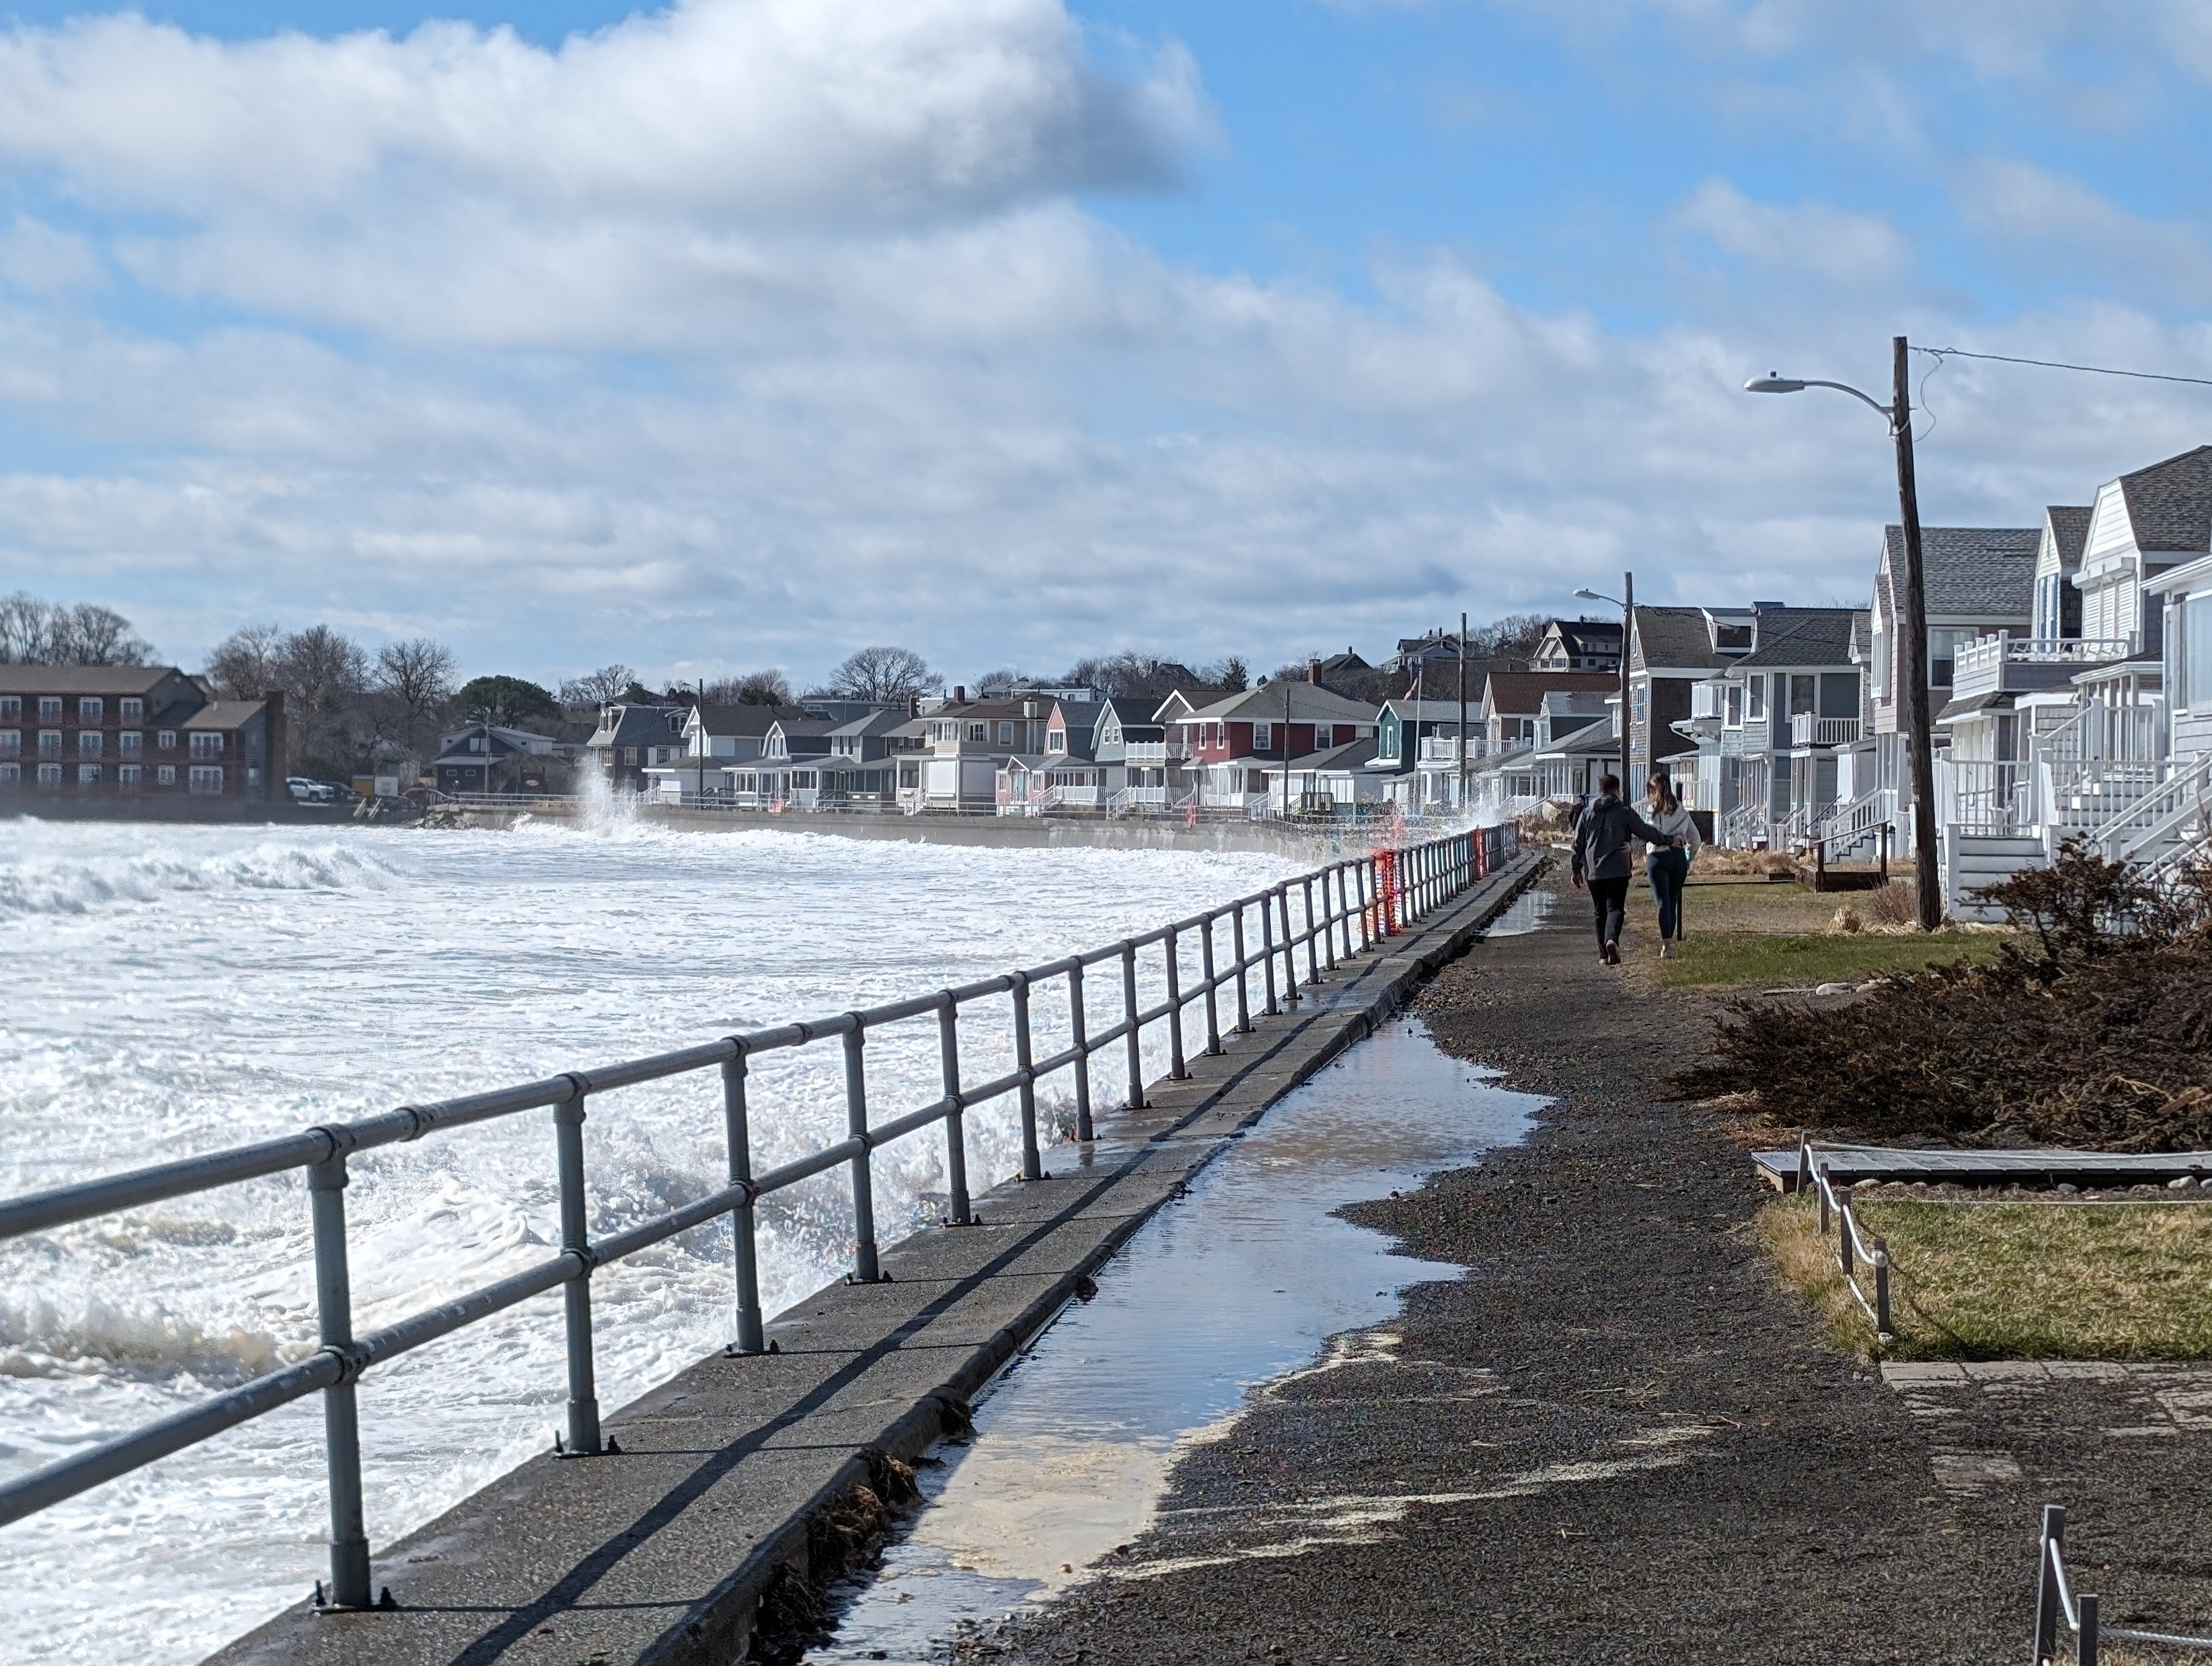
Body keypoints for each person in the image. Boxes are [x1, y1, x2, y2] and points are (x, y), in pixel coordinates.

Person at [1570, 773, 1678, 965]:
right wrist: (1669, 840)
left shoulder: (1587, 812)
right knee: (1615, 908)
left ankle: (1604, 955)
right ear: (1617, 790)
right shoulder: (1624, 811)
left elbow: (1578, 842)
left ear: (1600, 790)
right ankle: (1612, 940)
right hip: (1618, 868)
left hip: (1594, 870)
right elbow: (1645, 831)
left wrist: (1576, 869)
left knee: (1599, 911)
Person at [1641, 774, 1702, 958]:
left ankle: (1666, 944)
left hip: (1657, 857)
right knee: (1672, 902)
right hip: (1677, 858)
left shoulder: (1652, 812)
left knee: (1663, 903)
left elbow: (1647, 834)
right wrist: (1688, 858)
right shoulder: (1682, 811)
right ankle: (1670, 947)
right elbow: (1696, 840)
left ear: (1654, 791)